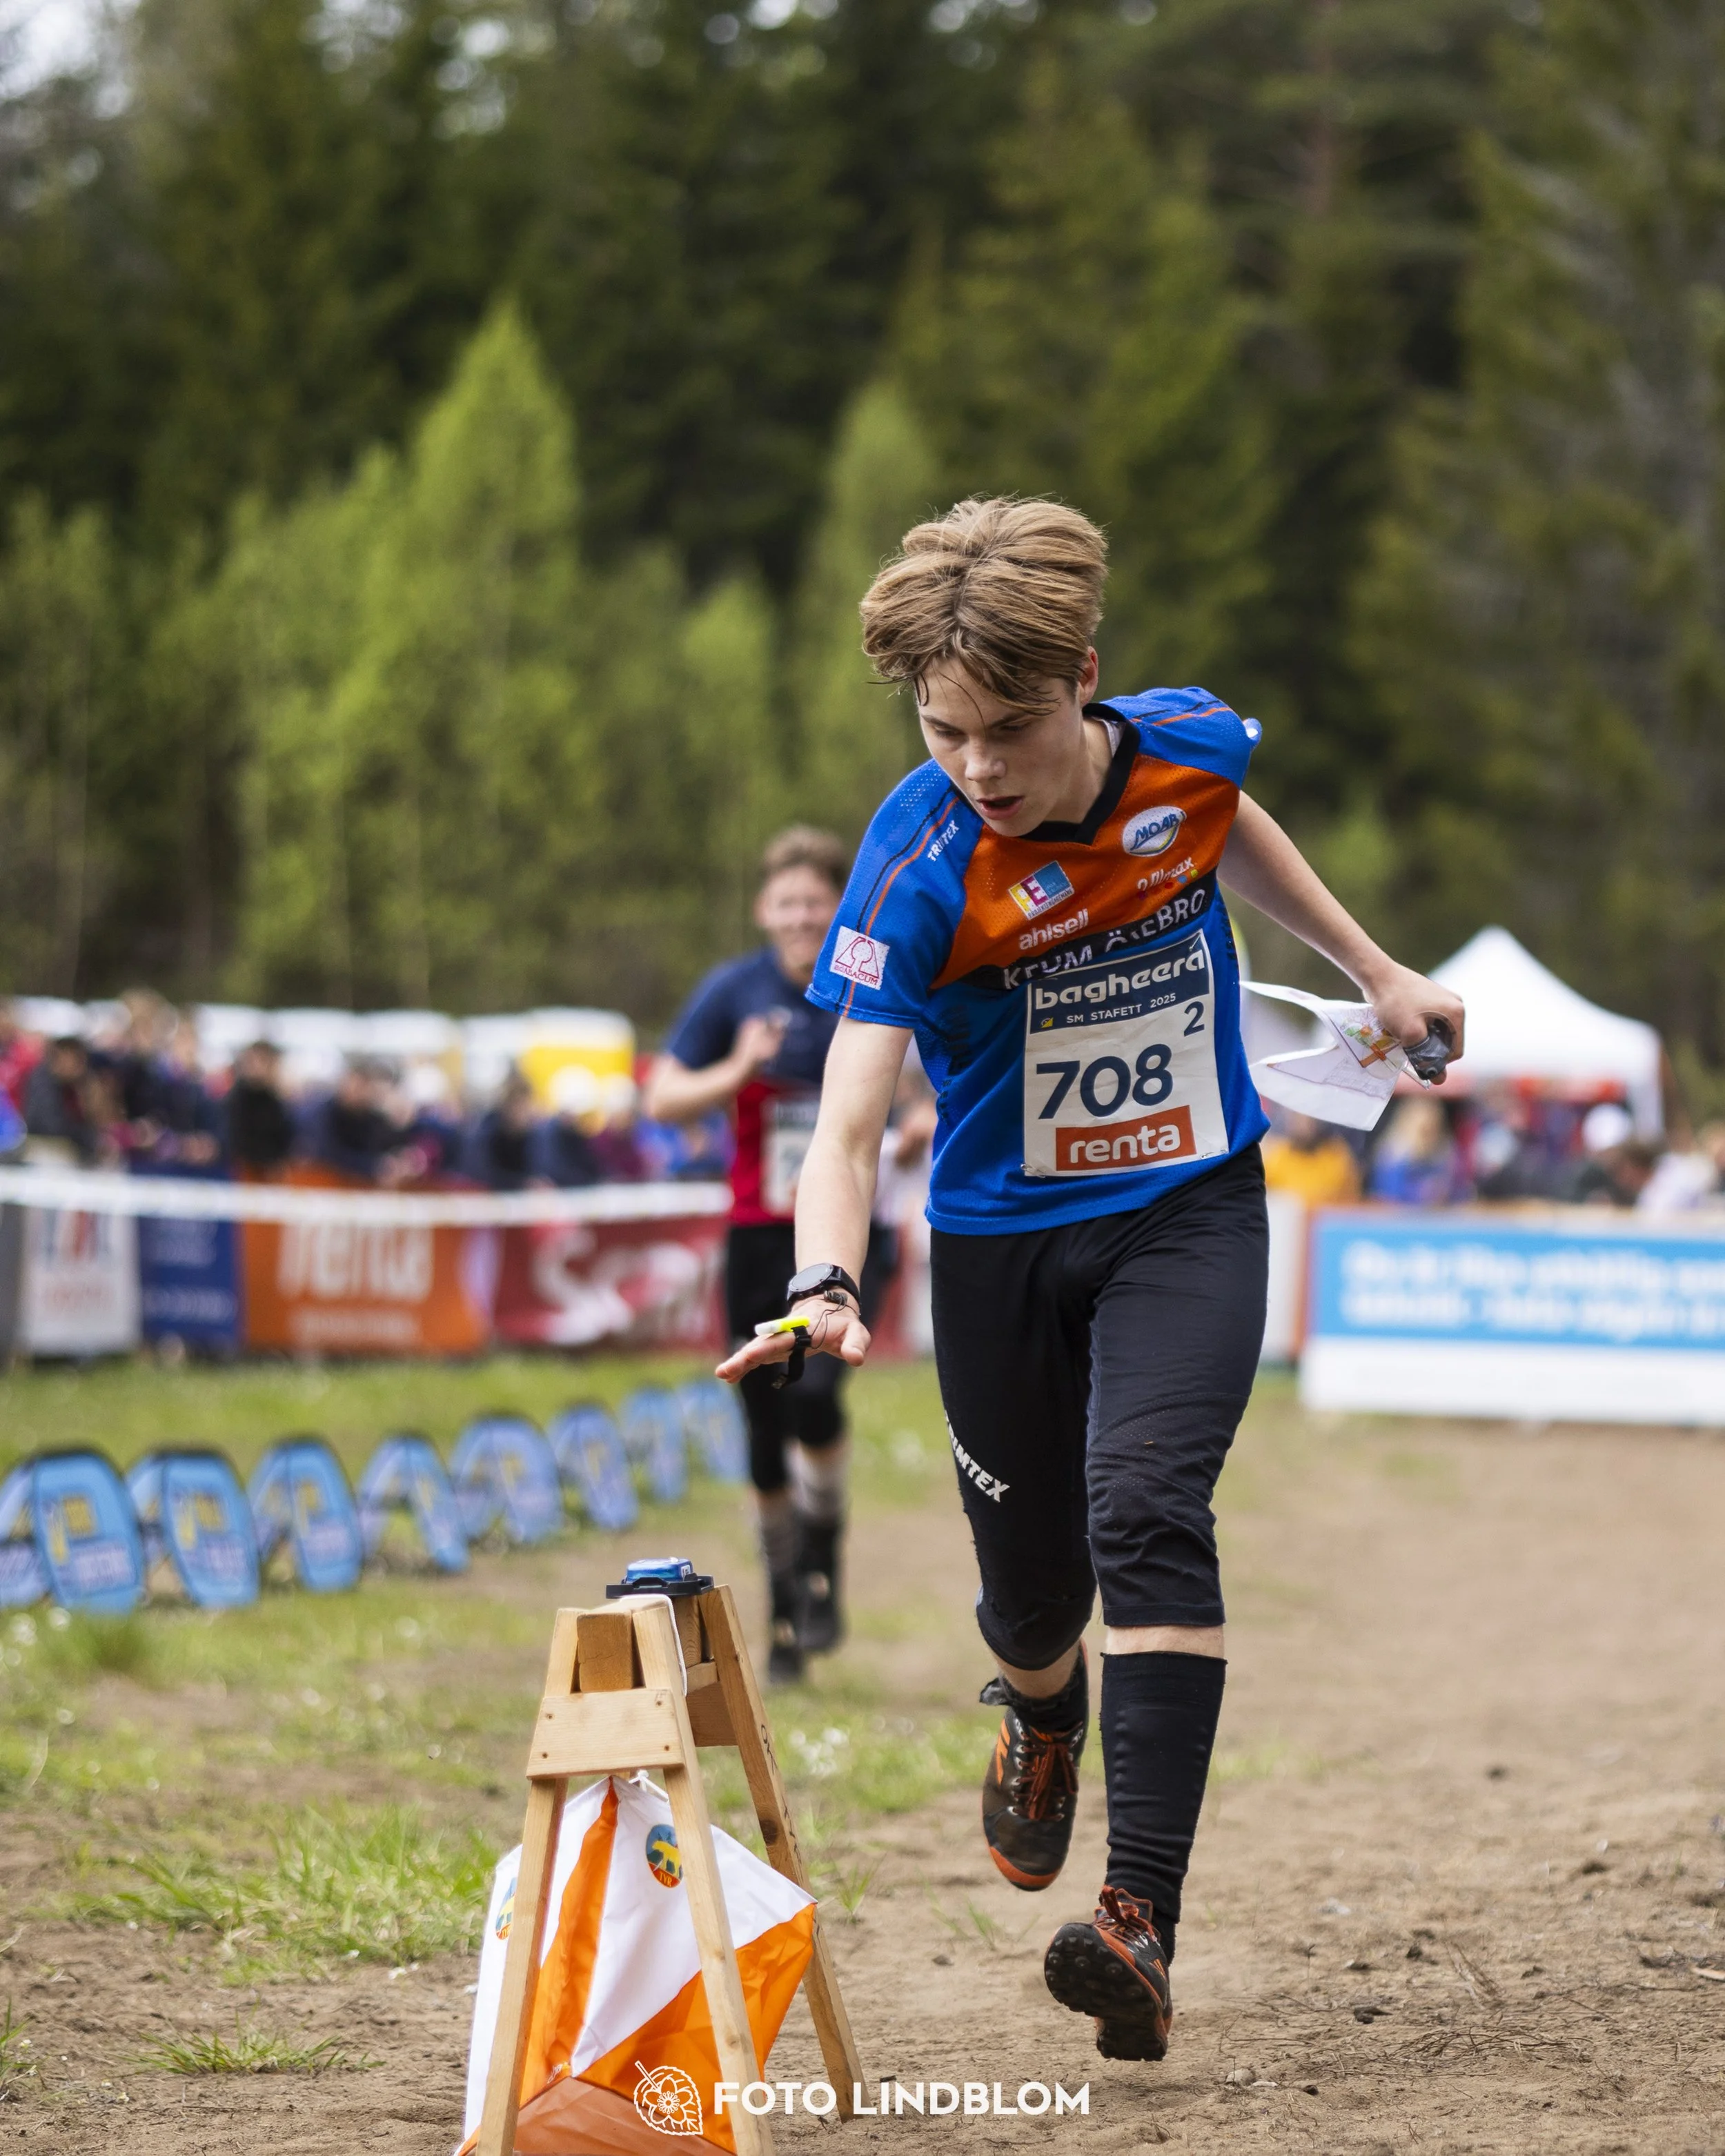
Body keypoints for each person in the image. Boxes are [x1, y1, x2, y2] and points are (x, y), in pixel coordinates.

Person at [718, 498, 1464, 2066]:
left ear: (1086, 683)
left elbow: (1226, 815)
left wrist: (1374, 970)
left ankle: (1138, 1924)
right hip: (1001, 1247)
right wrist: (828, 1277)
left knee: (1148, 1511)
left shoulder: (1184, 744)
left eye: (1007, 727)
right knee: (1036, 1597)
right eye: (942, 731)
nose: (977, 764)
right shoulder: (919, 859)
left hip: (1188, 1206)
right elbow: (848, 1118)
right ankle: (1040, 1709)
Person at [645, 826, 859, 1685]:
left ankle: (824, 1554)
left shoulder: (863, 979)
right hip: (758, 1232)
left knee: (818, 1399)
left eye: (816, 899)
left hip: (842, 1239)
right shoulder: (733, 991)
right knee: (763, 1431)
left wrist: (918, 1120)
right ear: (763, 909)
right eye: (787, 900)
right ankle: (781, 1611)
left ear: (837, 905)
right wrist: (738, 1065)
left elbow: (928, 1081)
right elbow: (661, 1095)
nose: (802, 914)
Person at [1260, 1110, 1361, 1205]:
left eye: (1307, 1119)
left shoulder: (1337, 1157)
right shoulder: (1275, 1156)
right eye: (1297, 1118)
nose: (1301, 1124)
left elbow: (1352, 1203)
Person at [224, 1041, 296, 1174]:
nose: (256, 1067)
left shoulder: (277, 1101)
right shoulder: (235, 1099)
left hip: (271, 1173)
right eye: (253, 1061)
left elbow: (285, 1138)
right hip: (244, 1171)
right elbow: (235, 1139)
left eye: (262, 1061)